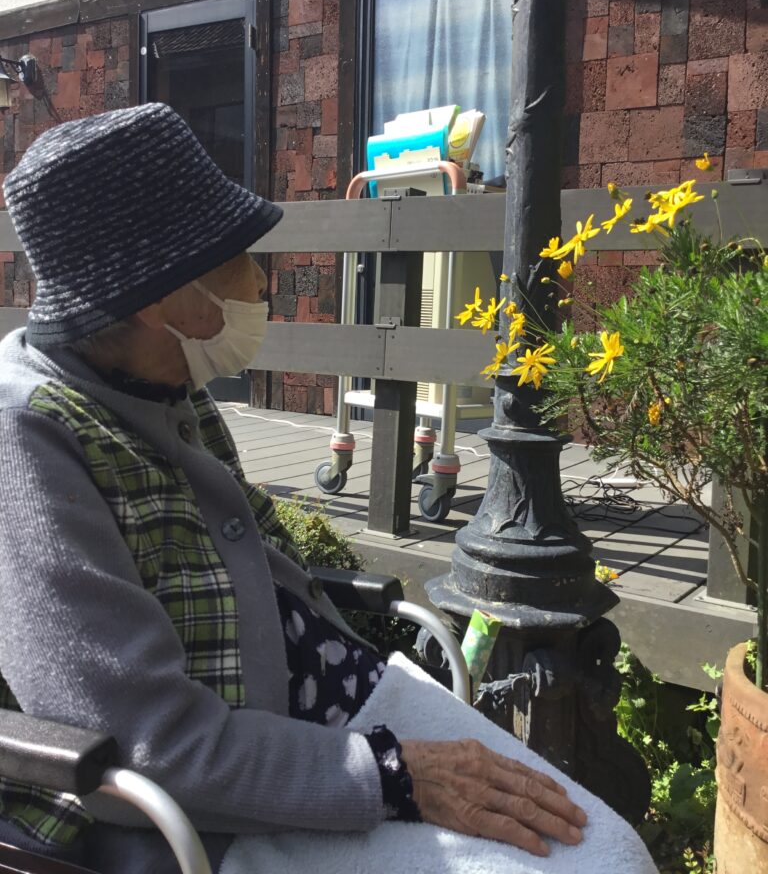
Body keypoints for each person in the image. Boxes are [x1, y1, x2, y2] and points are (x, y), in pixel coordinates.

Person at [0, 104, 586, 874]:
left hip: (315, 725)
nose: (260, 282)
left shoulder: (160, 382)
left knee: (589, 844)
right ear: (155, 296)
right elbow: (145, 741)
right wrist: (394, 773)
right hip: (197, 814)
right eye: (234, 259)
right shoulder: (26, 437)